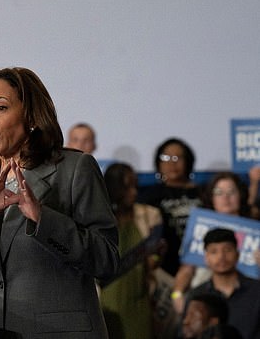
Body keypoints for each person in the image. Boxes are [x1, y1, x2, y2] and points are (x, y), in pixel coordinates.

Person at [0, 67, 119, 338]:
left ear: (31, 116)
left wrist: (42, 218)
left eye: (2, 108)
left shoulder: (74, 169)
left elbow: (107, 260)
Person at [172, 172, 251, 315]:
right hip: (205, 302)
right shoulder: (198, 226)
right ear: (211, 197)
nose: (225, 197)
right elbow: (186, 270)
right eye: (219, 192)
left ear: (241, 195)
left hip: (246, 300)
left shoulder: (255, 231)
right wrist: (177, 295)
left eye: (231, 191)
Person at [100, 162, 163, 339]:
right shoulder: (98, 218)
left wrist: (157, 256)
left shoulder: (150, 215)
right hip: (106, 297)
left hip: (140, 296)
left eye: (135, 186)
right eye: (126, 188)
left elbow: (155, 259)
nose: (133, 192)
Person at [138, 137, 203, 276]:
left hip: (201, 264)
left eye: (178, 157)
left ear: (188, 161)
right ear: (158, 162)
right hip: (164, 266)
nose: (172, 163)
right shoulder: (149, 196)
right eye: (166, 157)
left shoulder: (204, 193)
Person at [183, 228, 260, 339]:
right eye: (214, 251)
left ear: (237, 254)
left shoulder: (257, 290)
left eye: (227, 250)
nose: (221, 257)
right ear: (206, 258)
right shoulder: (196, 296)